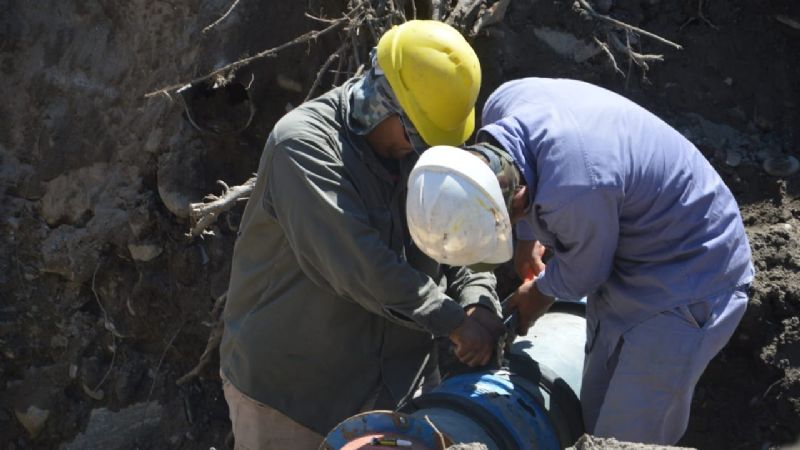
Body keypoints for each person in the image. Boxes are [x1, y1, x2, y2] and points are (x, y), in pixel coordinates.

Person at [406, 77, 755, 445]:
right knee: (591, 417)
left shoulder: (576, 190)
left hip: (690, 275)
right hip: (634, 257)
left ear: (520, 198)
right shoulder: (503, 109)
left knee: (623, 437)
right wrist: (526, 242)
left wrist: (537, 294)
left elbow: (586, 270)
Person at [219, 20, 505, 450]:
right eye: (413, 135)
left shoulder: (417, 148)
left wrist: (478, 298)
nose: (419, 151)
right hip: (294, 401)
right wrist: (453, 322)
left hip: (400, 386)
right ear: (378, 100)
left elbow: (457, 232)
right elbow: (362, 265)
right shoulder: (303, 146)